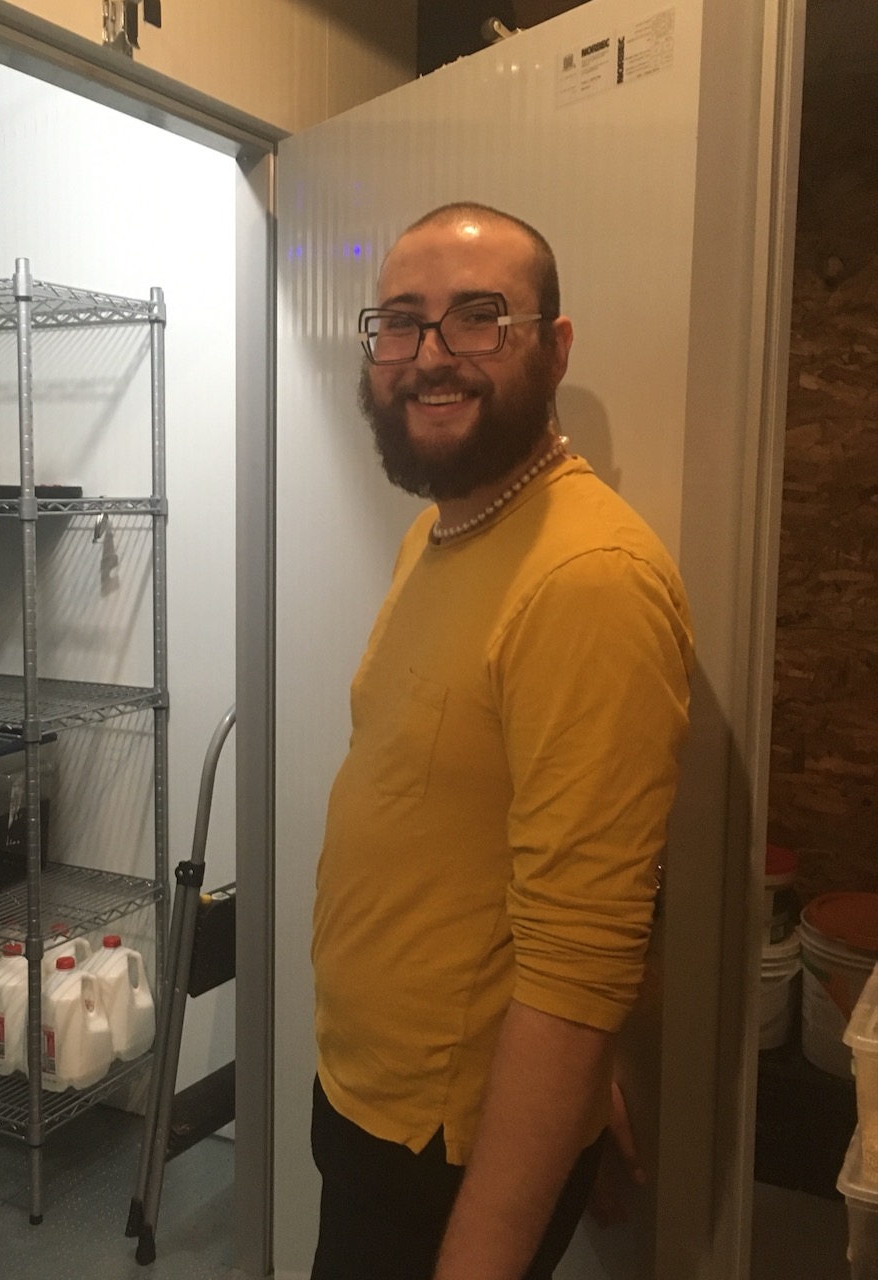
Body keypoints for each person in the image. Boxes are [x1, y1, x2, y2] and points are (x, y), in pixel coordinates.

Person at [309, 202, 694, 1280]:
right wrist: (582, 1075)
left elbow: (580, 959)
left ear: (554, 346)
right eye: (401, 322)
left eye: (479, 318)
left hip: (447, 1152)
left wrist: (486, 1240)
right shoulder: (439, 530)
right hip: (377, 1102)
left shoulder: (587, 582)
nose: (430, 357)